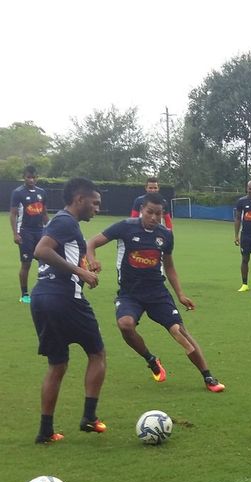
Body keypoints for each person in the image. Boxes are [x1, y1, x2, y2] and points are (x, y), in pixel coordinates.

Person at [86, 193, 225, 393]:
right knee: (125, 325)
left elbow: (169, 267)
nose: (153, 217)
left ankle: (208, 376)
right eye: (150, 212)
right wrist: (92, 260)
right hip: (130, 293)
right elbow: (91, 243)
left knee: (179, 332)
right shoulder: (125, 227)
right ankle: (151, 360)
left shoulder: (165, 235)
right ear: (142, 209)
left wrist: (180, 294)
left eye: (158, 214)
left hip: (157, 293)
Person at [30, 178, 106, 444]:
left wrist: (86, 266)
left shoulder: (63, 222)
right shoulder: (65, 221)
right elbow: (41, 250)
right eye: (94, 203)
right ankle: (89, 417)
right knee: (97, 353)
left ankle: (45, 431)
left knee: (57, 365)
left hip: (41, 297)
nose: (97, 208)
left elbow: (62, 253)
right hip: (65, 298)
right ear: (79, 200)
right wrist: (79, 271)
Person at [10, 165, 49, 303]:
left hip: (40, 231)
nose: (31, 180)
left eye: (34, 177)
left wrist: (49, 230)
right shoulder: (18, 193)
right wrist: (15, 234)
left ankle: (44, 290)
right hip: (25, 232)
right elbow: (13, 214)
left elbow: (44, 213)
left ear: (37, 177)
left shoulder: (42, 192)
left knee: (46, 261)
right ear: (24, 177)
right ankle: (25, 294)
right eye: (28, 177)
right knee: (26, 263)